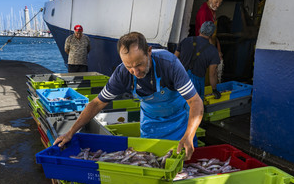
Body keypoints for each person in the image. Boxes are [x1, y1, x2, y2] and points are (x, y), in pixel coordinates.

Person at [54, 32, 204, 159]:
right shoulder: (122, 74)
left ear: (149, 51)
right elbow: (97, 103)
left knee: (185, 161)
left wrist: (189, 135)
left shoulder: (169, 64)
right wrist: (70, 133)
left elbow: (195, 102)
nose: (135, 72)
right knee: (151, 159)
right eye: (129, 66)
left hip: (179, 120)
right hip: (151, 123)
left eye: (139, 64)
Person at [174, 21, 220, 100]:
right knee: (195, 109)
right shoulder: (213, 51)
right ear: (212, 34)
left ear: (200, 30)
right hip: (195, 85)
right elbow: (212, 74)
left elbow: (174, 59)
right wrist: (214, 89)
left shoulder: (185, 41)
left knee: (179, 107)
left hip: (180, 80)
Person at [195, 0, 224, 82]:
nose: (218, 5)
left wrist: (218, 49)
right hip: (204, 49)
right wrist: (214, 53)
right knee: (209, 76)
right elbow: (206, 36)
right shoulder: (204, 11)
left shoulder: (212, 11)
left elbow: (214, 35)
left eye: (220, 2)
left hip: (210, 46)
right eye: (216, 1)